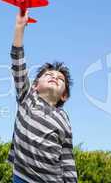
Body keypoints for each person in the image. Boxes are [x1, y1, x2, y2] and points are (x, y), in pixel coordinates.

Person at [8, 11, 78, 182]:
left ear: (64, 96)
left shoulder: (63, 119)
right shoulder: (27, 97)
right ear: (35, 85)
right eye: (49, 75)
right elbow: (18, 63)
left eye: (60, 79)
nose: (54, 77)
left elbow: (67, 156)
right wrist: (19, 27)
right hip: (22, 177)